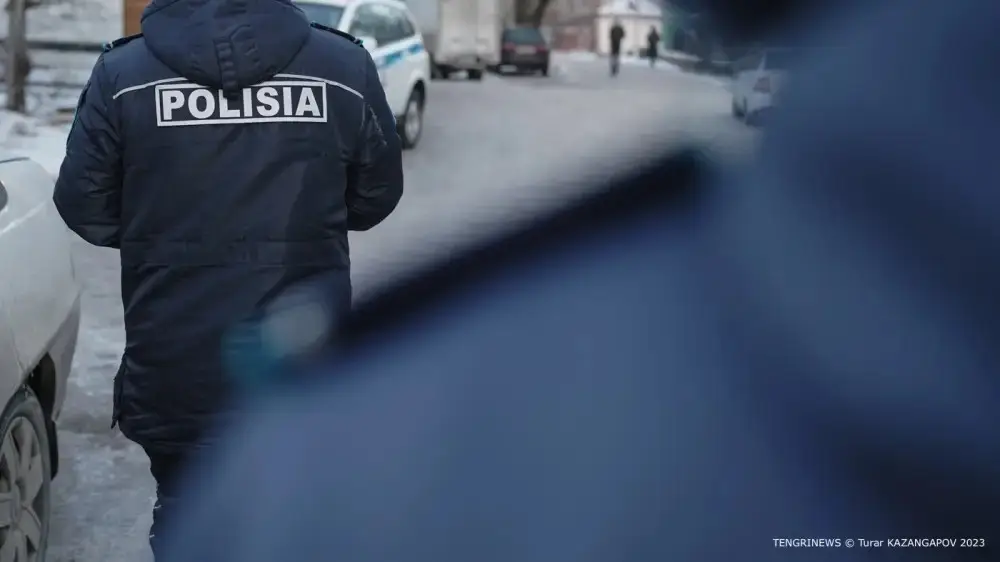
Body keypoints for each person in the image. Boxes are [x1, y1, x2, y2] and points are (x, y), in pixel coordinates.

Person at [162, 0, 1000, 559]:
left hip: (168, 343)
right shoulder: (344, 65)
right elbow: (375, 195)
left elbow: (98, 212)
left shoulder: (348, 470)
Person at [51, 0, 403, 556]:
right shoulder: (341, 67)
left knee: (190, 521)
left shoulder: (124, 74)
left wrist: (164, 232)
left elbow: (85, 205)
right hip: (301, 367)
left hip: (177, 370)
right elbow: (374, 196)